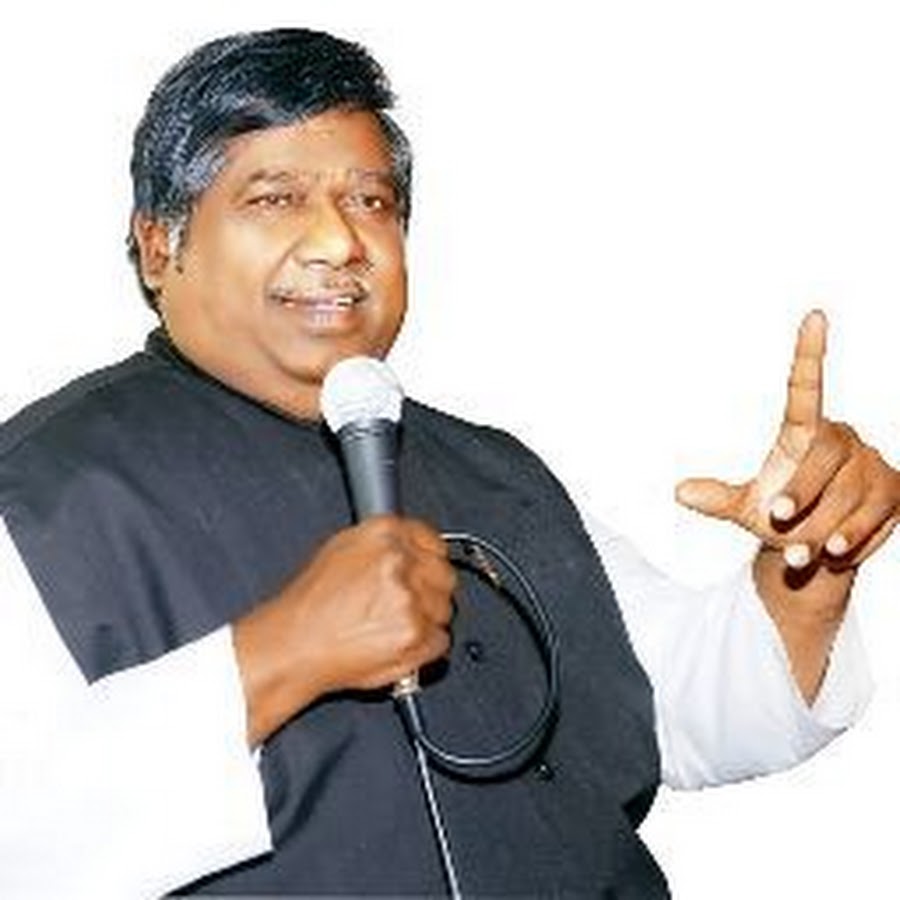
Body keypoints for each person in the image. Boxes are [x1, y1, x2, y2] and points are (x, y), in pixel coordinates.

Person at [0, 27, 895, 898]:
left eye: (370, 201)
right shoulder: (41, 492)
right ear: (161, 244)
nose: (340, 242)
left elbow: (682, 708)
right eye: (275, 199)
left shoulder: (495, 472)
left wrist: (806, 570)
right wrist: (276, 655)